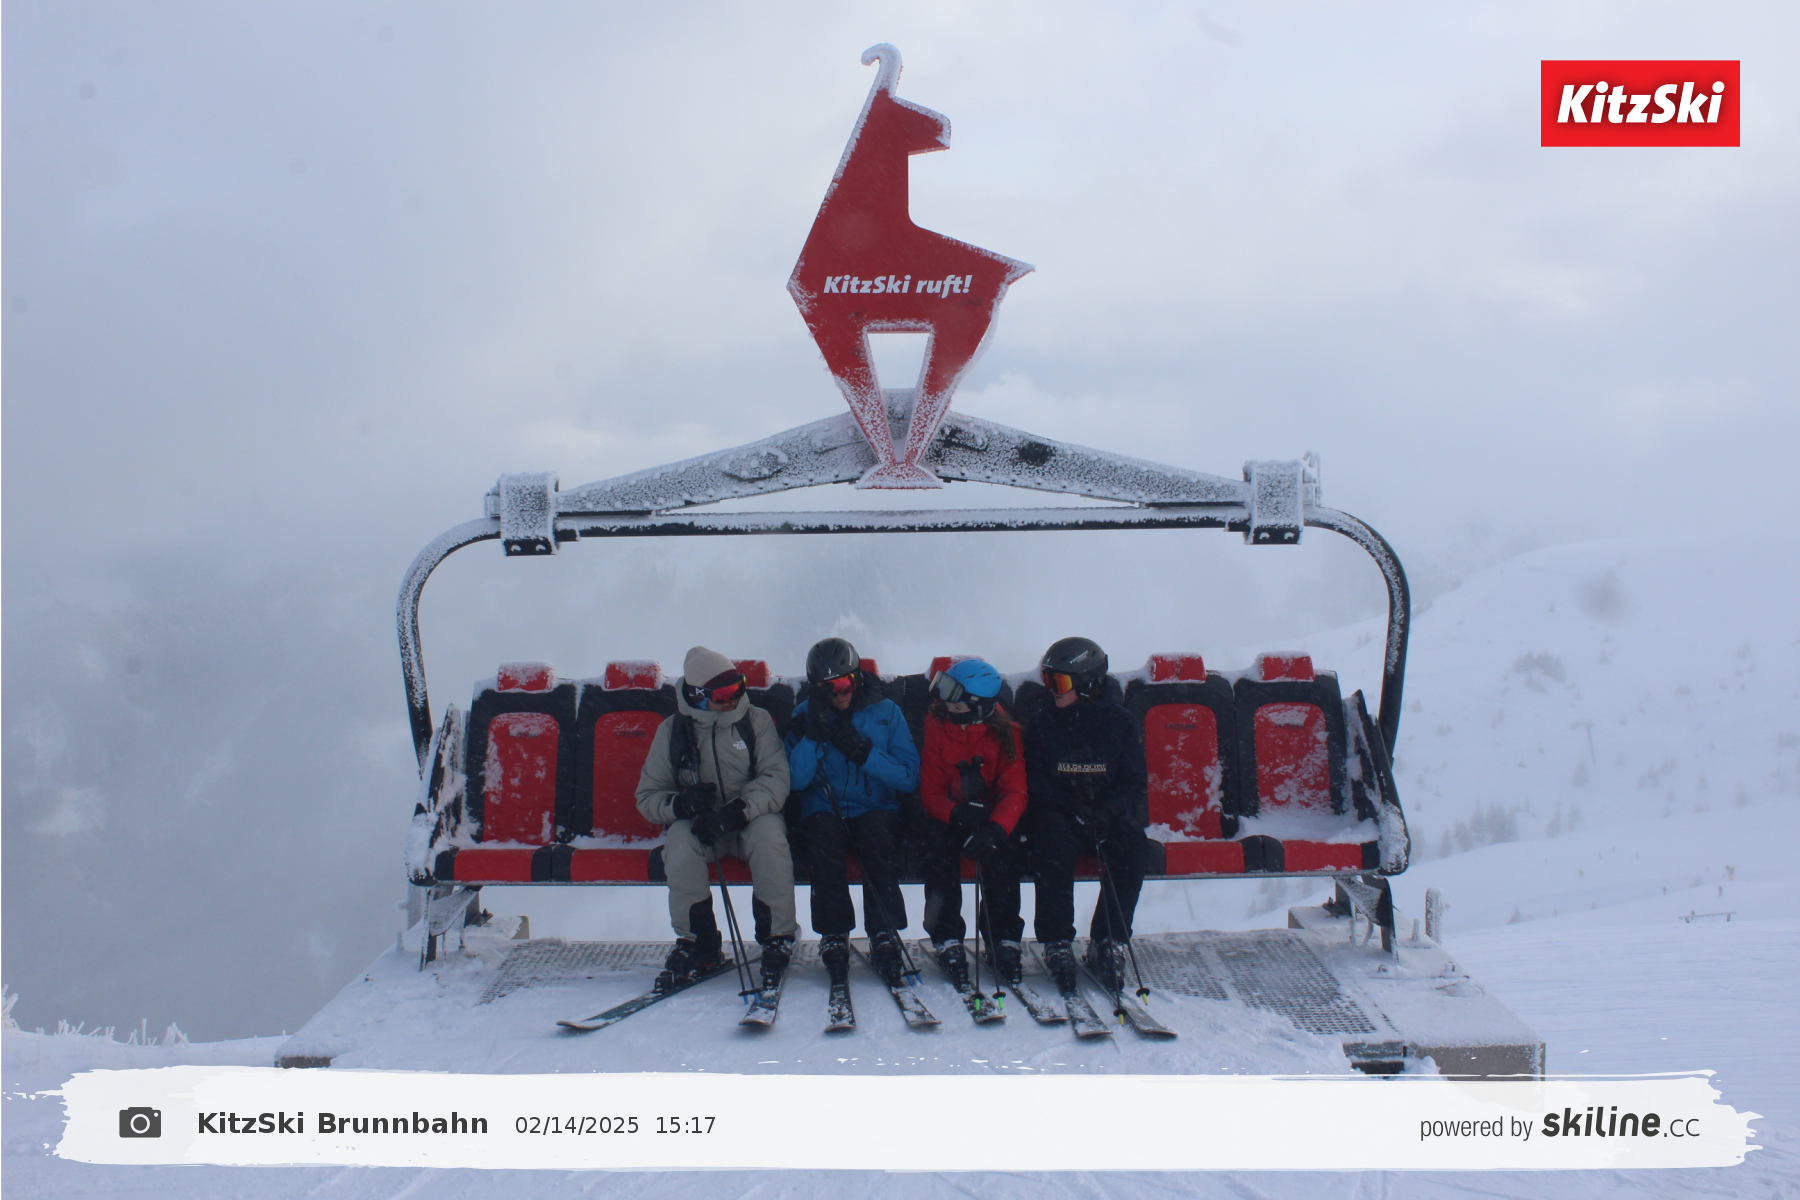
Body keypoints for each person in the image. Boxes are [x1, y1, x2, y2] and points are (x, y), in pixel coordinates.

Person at [635, 646, 796, 992]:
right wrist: (682, 805)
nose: (734, 699)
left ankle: (777, 937)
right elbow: (648, 797)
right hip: (704, 826)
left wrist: (737, 811)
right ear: (698, 695)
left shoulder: (754, 721)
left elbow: (776, 778)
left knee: (770, 837)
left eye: (738, 688)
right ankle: (698, 942)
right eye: (723, 694)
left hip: (748, 820)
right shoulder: (673, 731)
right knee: (680, 841)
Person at [787, 637, 921, 988]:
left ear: (858, 677)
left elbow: (908, 777)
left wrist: (863, 753)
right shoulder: (803, 717)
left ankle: (883, 931)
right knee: (822, 839)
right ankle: (834, 933)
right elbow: (795, 781)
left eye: (845, 683)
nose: (840, 694)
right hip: (823, 805)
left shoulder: (886, 712)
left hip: (874, 806)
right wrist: (813, 736)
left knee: (877, 838)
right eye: (828, 688)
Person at [1023, 636, 1150, 994]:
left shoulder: (1120, 723)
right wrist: (1070, 807)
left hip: (1105, 813)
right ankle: (1056, 940)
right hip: (1060, 812)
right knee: (1051, 845)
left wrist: (1108, 810)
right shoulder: (1044, 722)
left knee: (1132, 846)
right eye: (1047, 681)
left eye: (1059, 682)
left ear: (1088, 683)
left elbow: (1133, 781)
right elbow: (1035, 781)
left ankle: (1109, 939)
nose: (1052, 690)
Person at [918, 658, 1028, 988]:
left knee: (1004, 850)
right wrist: (954, 813)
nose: (947, 702)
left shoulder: (1006, 733)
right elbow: (931, 789)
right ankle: (946, 936)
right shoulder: (938, 724)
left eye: (957, 699)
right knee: (937, 845)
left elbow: (1016, 790)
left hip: (990, 816)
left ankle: (1002, 936)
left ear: (978, 705)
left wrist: (995, 828)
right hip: (951, 814)